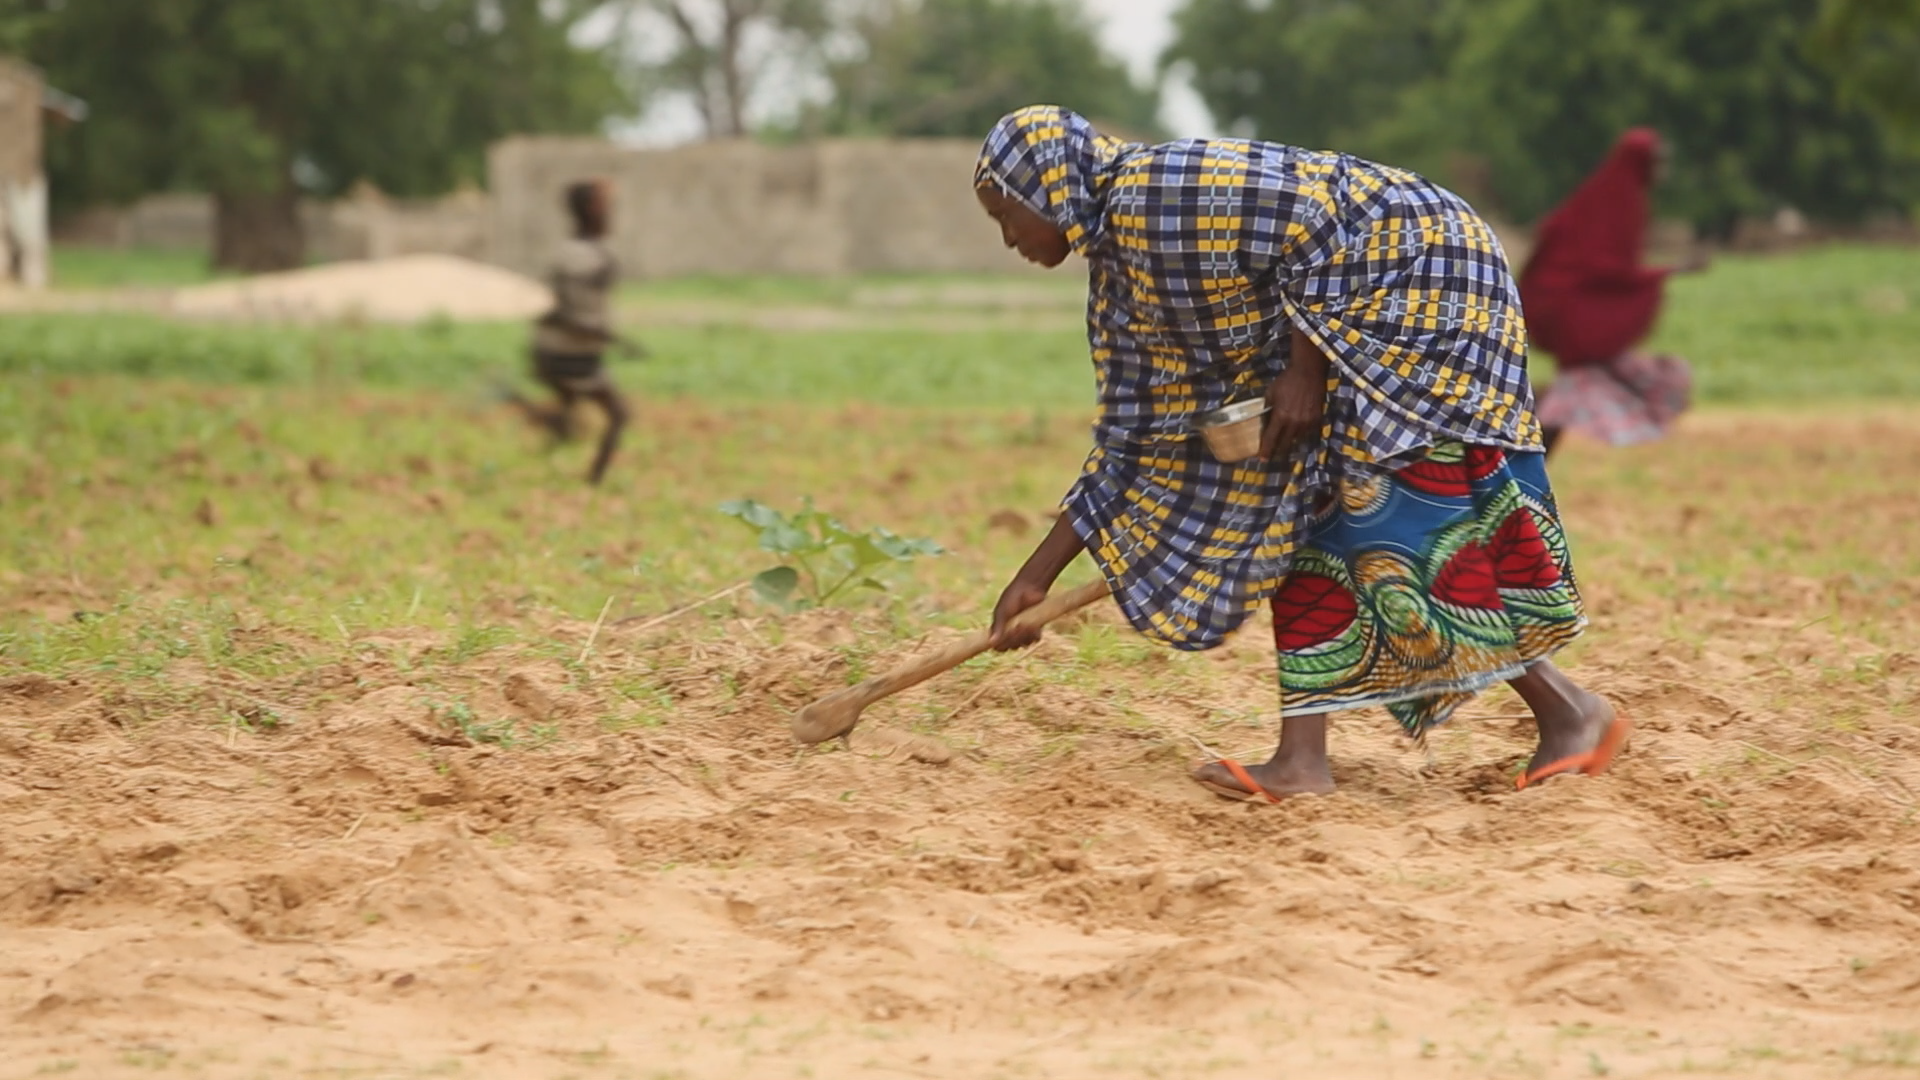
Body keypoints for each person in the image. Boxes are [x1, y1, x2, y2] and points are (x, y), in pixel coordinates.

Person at [974, 105, 1627, 801]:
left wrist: (1304, 370)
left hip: (1423, 274)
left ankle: (1570, 711)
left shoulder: (1160, 187)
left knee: (1405, 514)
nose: (1009, 237)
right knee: (1305, 514)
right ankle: (1302, 761)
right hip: (1349, 309)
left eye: (1007, 214)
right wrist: (1037, 575)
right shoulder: (1123, 281)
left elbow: (1317, 220)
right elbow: (1135, 441)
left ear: (1050, 188)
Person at [1520, 129, 1708, 455]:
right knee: (1575, 391)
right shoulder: (1622, 201)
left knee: (1573, 392)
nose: (1662, 171)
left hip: (1559, 303)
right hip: (1573, 310)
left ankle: (1527, 449)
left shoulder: (1605, 194)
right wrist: (1668, 272)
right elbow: (1607, 269)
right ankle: (1522, 439)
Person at [510, 178, 642, 485]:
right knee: (618, 415)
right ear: (593, 210)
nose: (612, 213)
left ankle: (525, 409)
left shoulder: (585, 252)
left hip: (571, 350)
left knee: (572, 421)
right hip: (568, 352)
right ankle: (593, 483)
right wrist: (611, 338)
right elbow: (568, 313)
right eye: (608, 206)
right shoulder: (578, 256)